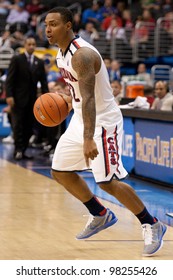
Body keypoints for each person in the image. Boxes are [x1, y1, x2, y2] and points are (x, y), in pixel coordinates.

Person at [44, 7, 167, 257]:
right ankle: (99, 213)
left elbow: (90, 98)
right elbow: (80, 94)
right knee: (60, 170)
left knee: (106, 180)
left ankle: (152, 223)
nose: (47, 29)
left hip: (103, 122)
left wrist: (89, 138)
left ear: (68, 26)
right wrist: (68, 101)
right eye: (46, 24)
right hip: (81, 117)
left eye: (54, 24)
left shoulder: (83, 55)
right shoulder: (60, 54)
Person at [5, 36, 49, 160]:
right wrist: (9, 95)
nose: (31, 46)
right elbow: (10, 80)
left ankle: (23, 150)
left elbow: (44, 83)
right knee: (18, 125)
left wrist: (46, 98)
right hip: (18, 99)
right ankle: (18, 150)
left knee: (29, 127)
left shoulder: (39, 62)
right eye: (29, 44)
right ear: (25, 45)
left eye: (33, 44)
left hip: (32, 100)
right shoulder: (16, 59)